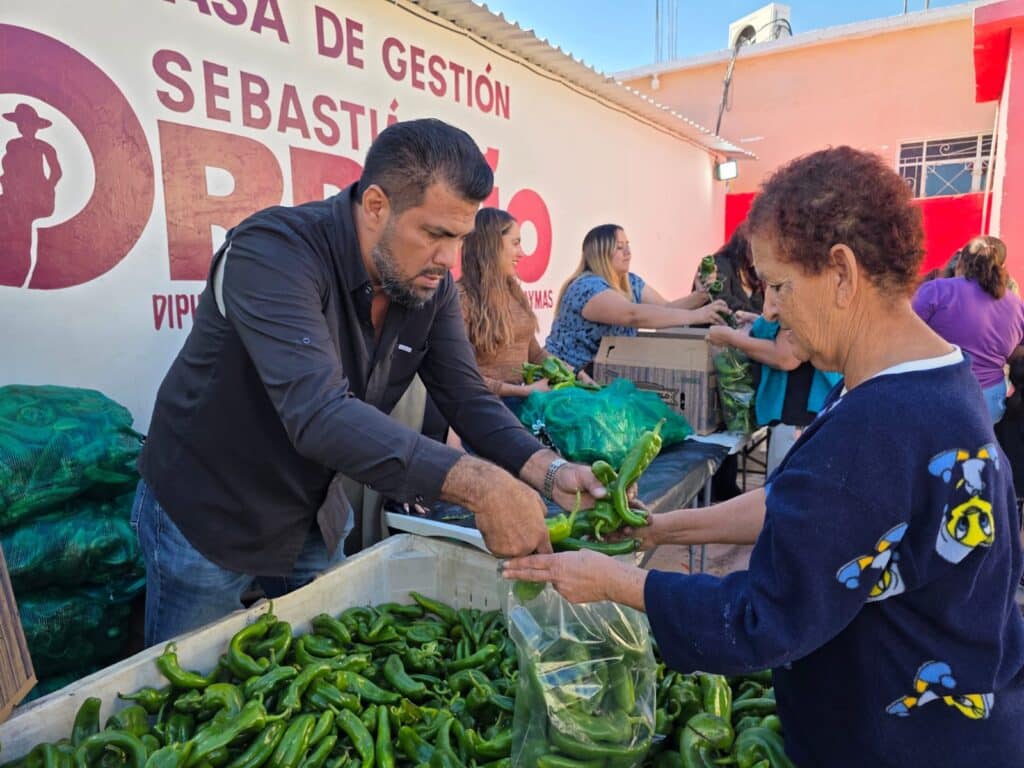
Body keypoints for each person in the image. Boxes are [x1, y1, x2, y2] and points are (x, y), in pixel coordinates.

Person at [504, 146, 1024, 766]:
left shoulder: (881, 425)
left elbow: (763, 619)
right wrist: (659, 526)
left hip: (905, 742)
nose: (769, 309)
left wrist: (615, 580)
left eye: (779, 285)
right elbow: (798, 502)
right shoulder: (930, 378)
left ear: (841, 273)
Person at [134, 118, 603, 645]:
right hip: (209, 508)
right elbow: (319, 414)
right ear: (377, 206)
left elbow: (466, 396)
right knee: (185, 686)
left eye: (461, 239)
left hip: (312, 510)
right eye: (435, 234)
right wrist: (483, 485)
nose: (450, 260)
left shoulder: (430, 285)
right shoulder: (272, 252)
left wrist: (547, 470)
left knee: (325, 661)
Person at [545, 224, 727, 375]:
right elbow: (632, 315)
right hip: (566, 378)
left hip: (600, 376)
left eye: (628, 244)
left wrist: (700, 295)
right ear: (600, 253)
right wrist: (698, 316)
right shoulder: (586, 287)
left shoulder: (631, 281)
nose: (628, 252)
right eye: (619, 247)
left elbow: (666, 307)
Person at [709, 314, 842, 474]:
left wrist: (730, 338)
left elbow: (786, 357)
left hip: (798, 416)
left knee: (785, 490)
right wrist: (761, 321)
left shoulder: (799, 292)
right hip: (819, 408)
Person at [913, 235, 1024, 423]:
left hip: (936, 397)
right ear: (1002, 269)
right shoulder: (1016, 305)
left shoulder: (936, 290)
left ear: (960, 262)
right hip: (989, 404)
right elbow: (1018, 354)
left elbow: (902, 331)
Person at [458, 208, 554, 406]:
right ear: (492, 246)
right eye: (515, 243)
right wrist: (522, 391)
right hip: (485, 406)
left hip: (521, 401)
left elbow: (534, 352)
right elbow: (462, 375)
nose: (521, 253)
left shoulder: (514, 290)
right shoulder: (462, 298)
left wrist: (575, 375)